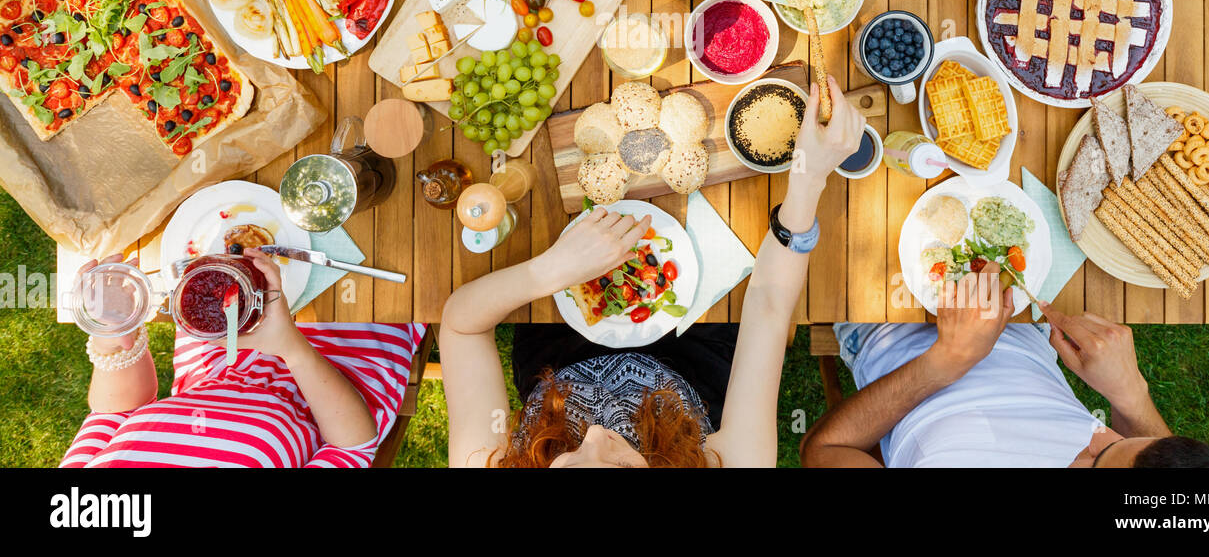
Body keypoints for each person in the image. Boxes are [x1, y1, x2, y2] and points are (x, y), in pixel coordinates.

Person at [441, 77, 865, 467]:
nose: (592, 434)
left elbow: (461, 327)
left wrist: (550, 270)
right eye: (621, 464)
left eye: (567, 463)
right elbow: (769, 306)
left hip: (555, 355)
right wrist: (810, 177)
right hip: (695, 359)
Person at [801, 270, 1209, 467]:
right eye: (1110, 442)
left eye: (1097, 461)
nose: (1088, 442)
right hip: (1020, 321)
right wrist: (1130, 395)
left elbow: (823, 451)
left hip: (884, 326)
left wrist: (946, 362)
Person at [61, 251, 423, 467]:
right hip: (343, 358)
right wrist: (290, 346)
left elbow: (115, 413)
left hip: (219, 347)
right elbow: (351, 447)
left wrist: (113, 334)